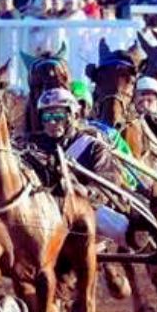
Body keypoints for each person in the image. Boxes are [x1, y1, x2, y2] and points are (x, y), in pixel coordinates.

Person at [30, 88, 133, 247]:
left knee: (120, 228)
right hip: (41, 209)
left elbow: (108, 181)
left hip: (85, 208)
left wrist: (85, 192)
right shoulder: (31, 145)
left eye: (58, 116)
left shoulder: (92, 145)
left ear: (73, 116)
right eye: (47, 117)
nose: (52, 122)